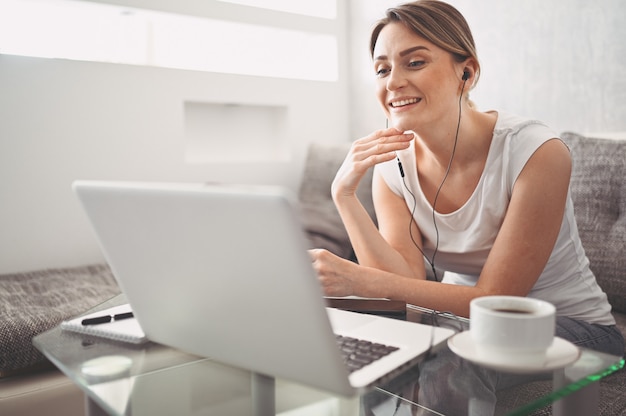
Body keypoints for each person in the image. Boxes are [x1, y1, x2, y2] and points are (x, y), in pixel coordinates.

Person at [309, 0, 623, 358]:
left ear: (467, 73)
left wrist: (358, 281)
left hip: (571, 327)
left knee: (436, 362)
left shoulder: (536, 151)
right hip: (464, 323)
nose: (394, 81)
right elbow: (402, 288)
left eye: (415, 62)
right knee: (355, 338)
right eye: (382, 70)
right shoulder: (392, 166)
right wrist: (344, 196)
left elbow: (496, 302)